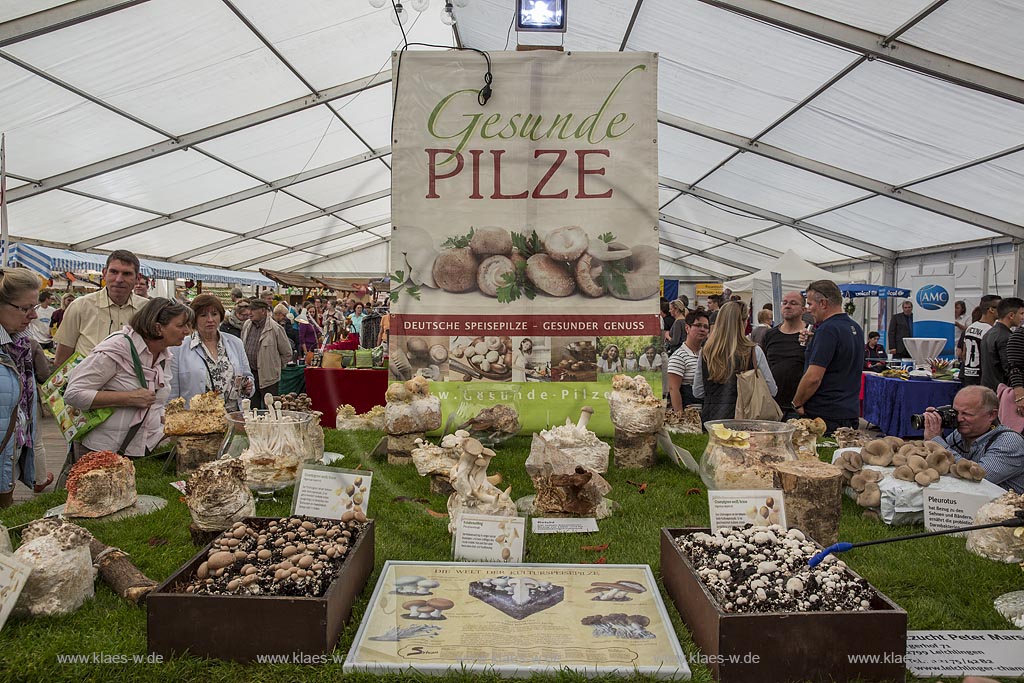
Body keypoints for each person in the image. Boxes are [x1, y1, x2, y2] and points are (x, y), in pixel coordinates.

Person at [64, 298, 194, 459]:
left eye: (188, 325)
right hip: (104, 451)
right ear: (158, 328)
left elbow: (156, 401)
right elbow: (73, 394)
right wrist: (128, 398)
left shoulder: (164, 355)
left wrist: (173, 423)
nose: (187, 331)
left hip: (146, 449)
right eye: (181, 325)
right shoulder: (116, 348)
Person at [792, 280, 864, 434]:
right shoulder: (855, 327)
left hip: (825, 415)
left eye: (810, 304)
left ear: (823, 303)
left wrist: (797, 403)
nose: (808, 310)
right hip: (849, 411)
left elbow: (813, 378)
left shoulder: (827, 330)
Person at [54, 250, 149, 366]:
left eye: (126, 274)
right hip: (88, 382)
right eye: (113, 272)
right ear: (104, 273)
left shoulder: (147, 310)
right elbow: (61, 359)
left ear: (137, 278)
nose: (119, 279)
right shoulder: (80, 306)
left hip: (132, 383)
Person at [0, 269, 46, 507]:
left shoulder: (19, 345)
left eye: (35, 307)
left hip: (7, 462)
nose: (33, 316)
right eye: (26, 308)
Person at [923, 385, 1023, 494]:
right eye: (956, 412)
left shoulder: (1009, 442)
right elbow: (942, 466)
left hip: (1005, 507)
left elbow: (977, 478)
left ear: (991, 415)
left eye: (967, 414)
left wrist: (936, 441)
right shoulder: (961, 433)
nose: (959, 419)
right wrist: (935, 428)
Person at [693, 301, 776, 425]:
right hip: (746, 421)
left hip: (713, 420)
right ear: (743, 322)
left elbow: (698, 391)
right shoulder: (753, 351)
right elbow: (772, 390)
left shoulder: (707, 352)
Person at [169, 294, 254, 412]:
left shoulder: (236, 343)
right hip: (196, 421)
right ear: (194, 318)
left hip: (232, 417)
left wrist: (248, 385)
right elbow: (172, 392)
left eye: (214, 314)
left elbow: (247, 376)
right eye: (203, 315)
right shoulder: (179, 348)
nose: (210, 320)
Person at [762, 291, 807, 419]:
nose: (788, 306)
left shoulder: (809, 335)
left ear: (803, 310)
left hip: (798, 407)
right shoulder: (770, 335)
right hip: (773, 405)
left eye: (793, 303)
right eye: (785, 303)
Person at [241, 299, 292, 409]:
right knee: (252, 409)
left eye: (253, 310)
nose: (249, 312)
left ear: (263, 311)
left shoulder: (275, 329)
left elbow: (287, 353)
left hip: (268, 378)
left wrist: (274, 367)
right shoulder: (246, 325)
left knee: (270, 409)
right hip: (250, 376)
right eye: (249, 309)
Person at [667, 311, 709, 414]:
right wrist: (680, 415)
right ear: (687, 328)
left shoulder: (707, 354)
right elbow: (674, 389)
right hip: (689, 413)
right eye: (698, 325)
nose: (702, 329)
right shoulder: (678, 357)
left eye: (706, 327)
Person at [980, 297, 1024, 392]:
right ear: (1011, 315)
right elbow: (1009, 368)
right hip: (1001, 390)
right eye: (1022, 314)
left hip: (987, 387)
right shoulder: (1007, 338)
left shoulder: (988, 333)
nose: (1023, 317)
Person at [961, 295, 1001, 386]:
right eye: (1001, 307)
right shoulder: (990, 331)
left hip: (968, 375)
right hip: (982, 378)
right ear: (991, 309)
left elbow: (964, 353)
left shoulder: (970, 328)